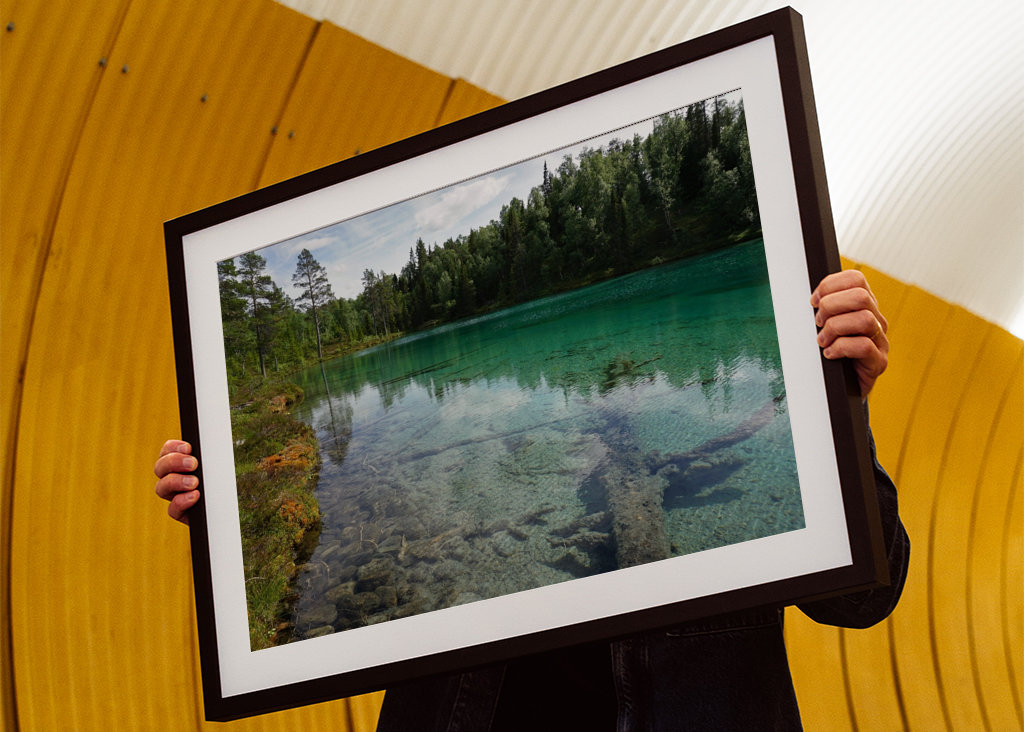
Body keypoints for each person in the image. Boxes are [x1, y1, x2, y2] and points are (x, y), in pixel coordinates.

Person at [155, 270, 908, 731]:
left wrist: (839, 406)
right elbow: (336, 574)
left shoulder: (768, 398)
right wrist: (232, 515)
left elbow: (865, 598)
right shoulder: (466, 483)